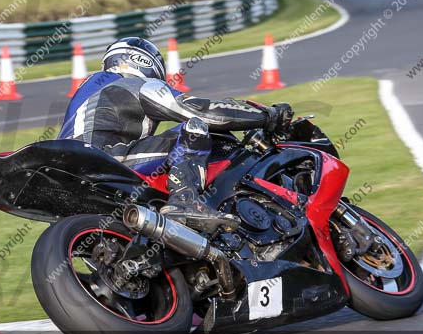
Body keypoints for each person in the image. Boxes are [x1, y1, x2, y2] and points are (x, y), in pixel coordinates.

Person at [58, 37, 293, 233]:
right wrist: (266, 116)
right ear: (143, 62)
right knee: (194, 125)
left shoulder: (90, 91)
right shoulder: (129, 83)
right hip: (105, 159)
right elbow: (200, 110)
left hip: (72, 172)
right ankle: (185, 201)